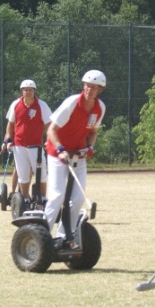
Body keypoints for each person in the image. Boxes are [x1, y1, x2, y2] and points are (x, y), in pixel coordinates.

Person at [43, 70, 106, 242]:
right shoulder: (71, 103)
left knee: (78, 198)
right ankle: (42, 236)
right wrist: (61, 149)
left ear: (100, 90)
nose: (89, 90)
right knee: (57, 195)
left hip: (78, 155)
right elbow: (51, 131)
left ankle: (64, 236)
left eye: (93, 87)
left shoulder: (99, 108)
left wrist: (90, 146)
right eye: (87, 85)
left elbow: (92, 132)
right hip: (57, 153)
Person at [2, 79, 52, 204]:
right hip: (19, 145)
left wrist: (49, 139)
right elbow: (10, 124)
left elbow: (48, 125)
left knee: (41, 173)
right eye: (25, 90)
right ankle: (25, 198)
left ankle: (43, 198)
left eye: (30, 90)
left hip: (36, 145)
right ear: (22, 91)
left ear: (34, 91)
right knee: (23, 174)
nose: (28, 92)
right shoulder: (15, 104)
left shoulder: (42, 105)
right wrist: (8, 139)